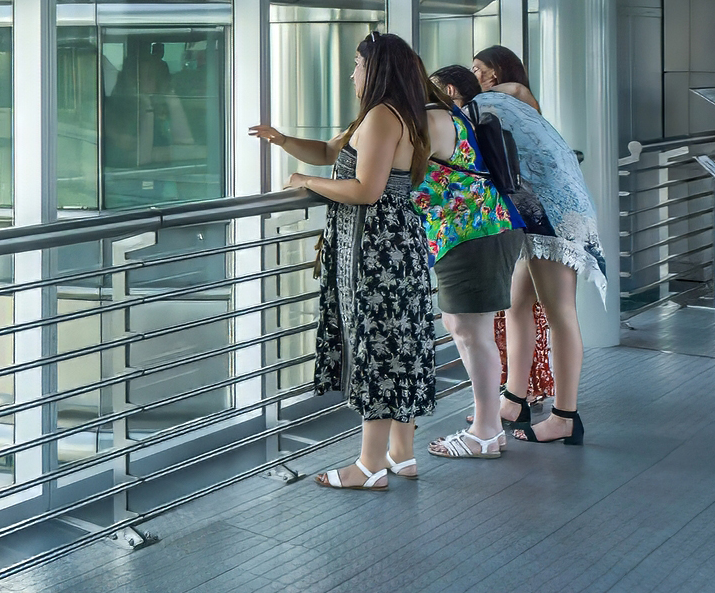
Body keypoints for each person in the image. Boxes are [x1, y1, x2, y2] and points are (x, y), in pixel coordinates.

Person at [249, 32, 435, 490]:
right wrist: (284, 140)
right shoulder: (397, 115)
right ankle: (401, 454)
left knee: (377, 347)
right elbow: (333, 153)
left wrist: (306, 183)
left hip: (377, 250)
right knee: (399, 342)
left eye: (357, 63)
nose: (352, 72)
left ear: (377, 69)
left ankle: (368, 467)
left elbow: (365, 190)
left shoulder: (379, 117)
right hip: (399, 246)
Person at [432, 62, 604, 445]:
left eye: (434, 93)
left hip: (552, 214)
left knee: (560, 311)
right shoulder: (488, 107)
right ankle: (514, 398)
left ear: (449, 91)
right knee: (517, 302)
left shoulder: (479, 108)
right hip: (535, 212)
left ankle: (565, 416)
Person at [412, 76, 526, 461]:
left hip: (473, 232)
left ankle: (486, 432)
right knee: (462, 328)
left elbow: (396, 176)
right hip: (476, 229)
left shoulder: (433, 120)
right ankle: (488, 425)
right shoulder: (443, 115)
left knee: (471, 332)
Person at [472, 45, 541, 113]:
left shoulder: (517, 91)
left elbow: (516, 89)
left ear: (495, 71)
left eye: (475, 70)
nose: (473, 75)